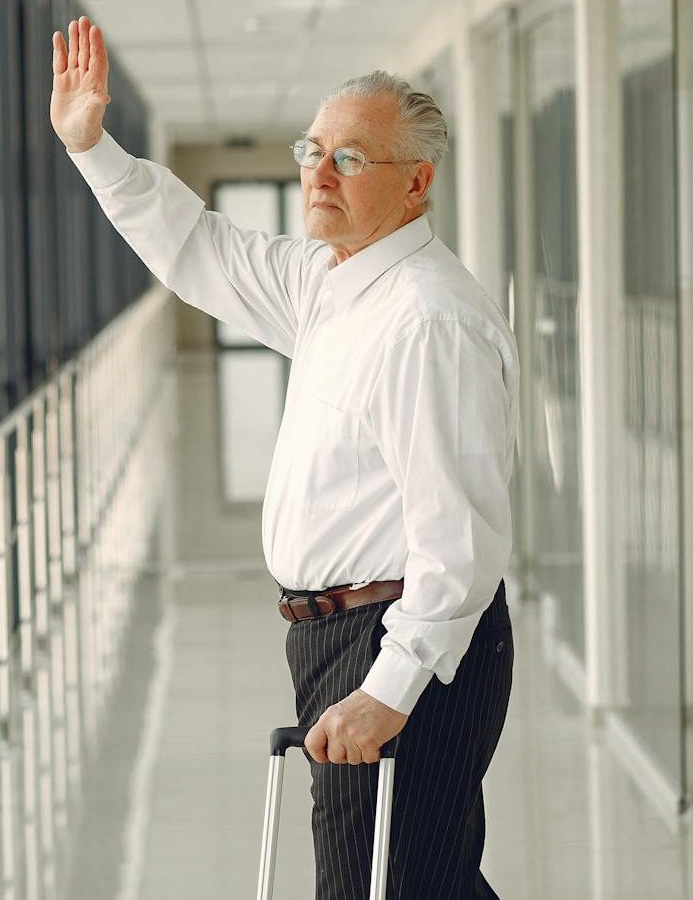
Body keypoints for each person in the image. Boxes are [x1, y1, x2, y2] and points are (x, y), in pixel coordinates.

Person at [49, 15, 519, 900]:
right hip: (337, 636)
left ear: (416, 182)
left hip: (402, 637)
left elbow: (461, 539)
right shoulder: (331, 280)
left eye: (349, 157)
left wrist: (390, 686)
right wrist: (93, 149)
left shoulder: (429, 320)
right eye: (313, 149)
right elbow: (199, 247)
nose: (317, 172)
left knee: (381, 887)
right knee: (419, 884)